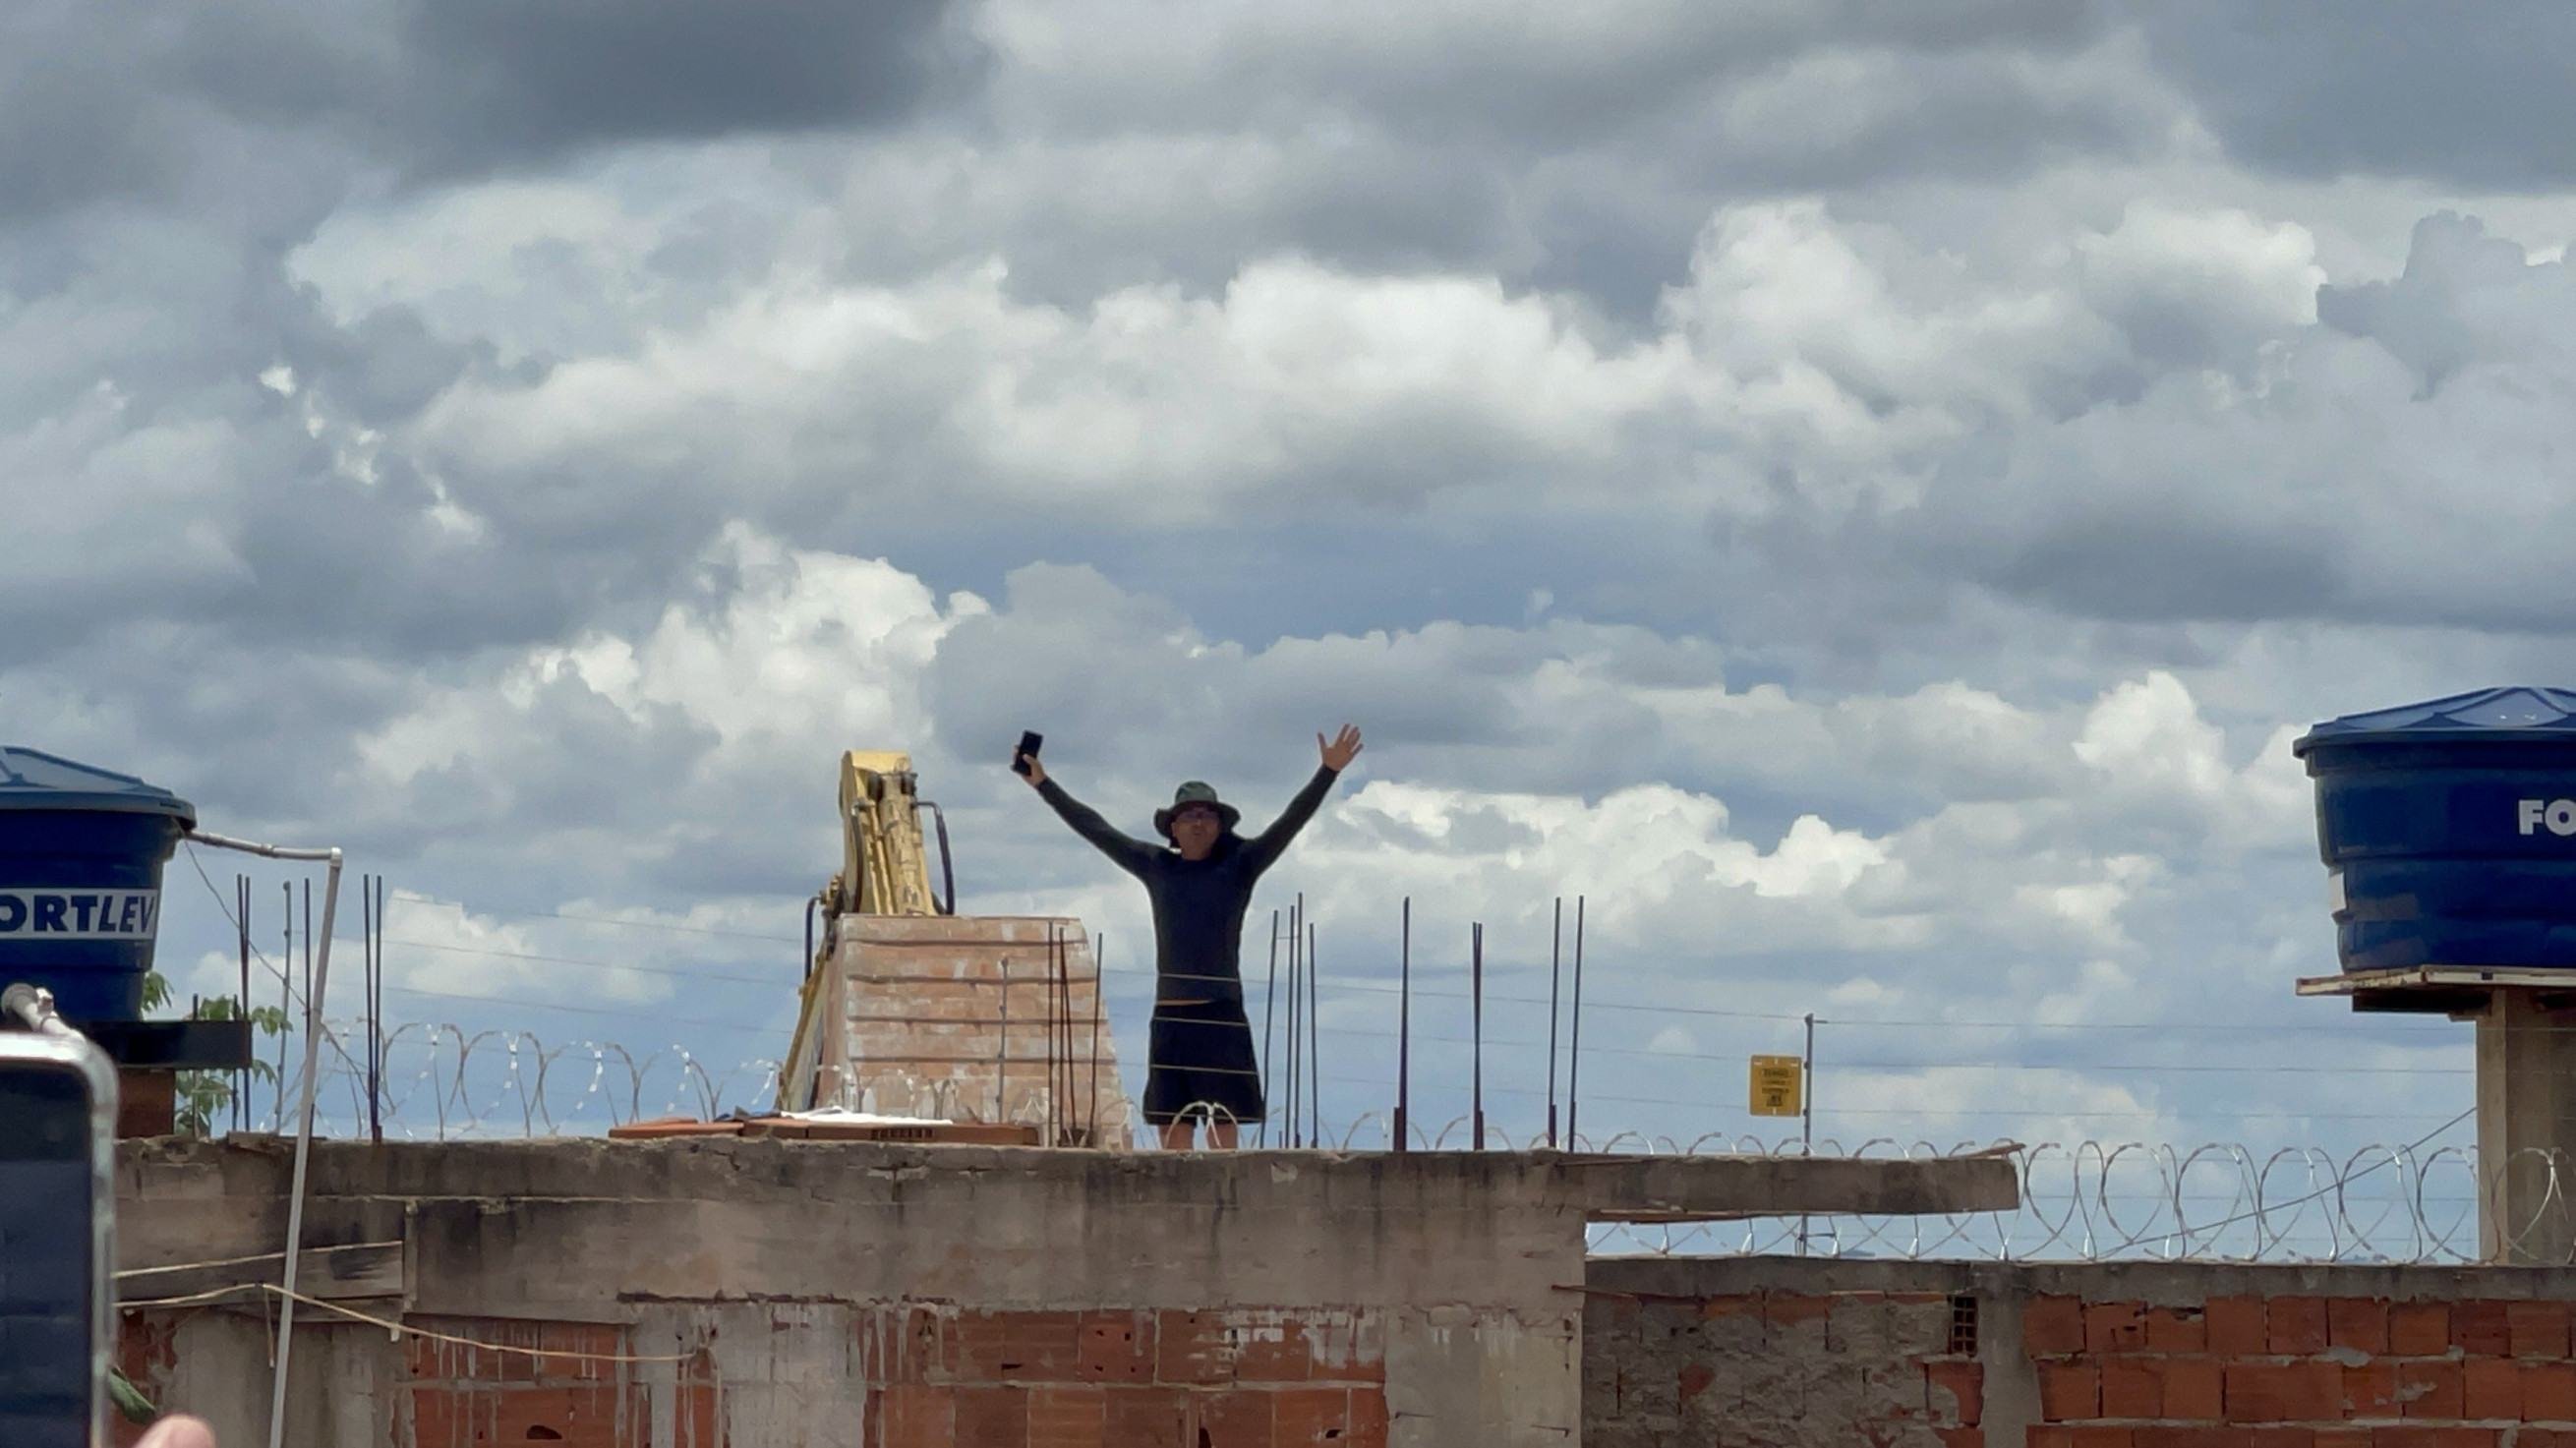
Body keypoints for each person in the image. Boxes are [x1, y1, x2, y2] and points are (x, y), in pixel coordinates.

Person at [1022, 725, 1362, 1149]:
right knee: (1171, 1123)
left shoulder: (1240, 865)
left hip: (1220, 1014)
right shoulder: (1157, 866)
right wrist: (1043, 784)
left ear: (1220, 825)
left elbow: (1290, 822)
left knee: (1224, 1122)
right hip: (1169, 1016)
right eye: (1189, 815)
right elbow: (1097, 829)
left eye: (1207, 815)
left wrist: (1328, 772)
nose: (1199, 822)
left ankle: (1226, 1189)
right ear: (1173, 827)